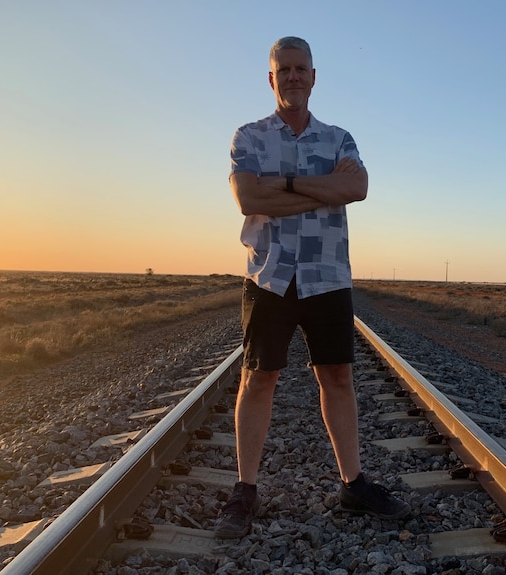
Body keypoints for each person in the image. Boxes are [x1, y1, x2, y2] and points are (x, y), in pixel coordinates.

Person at [214, 36, 411, 539]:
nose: (294, 76)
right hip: (270, 275)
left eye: (302, 68)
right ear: (272, 78)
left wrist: (278, 185)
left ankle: (353, 483)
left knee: (338, 379)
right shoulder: (249, 136)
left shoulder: (339, 138)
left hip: (327, 275)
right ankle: (245, 490)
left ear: (314, 76)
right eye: (285, 69)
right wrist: (320, 188)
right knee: (259, 379)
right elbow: (245, 199)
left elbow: (357, 188)